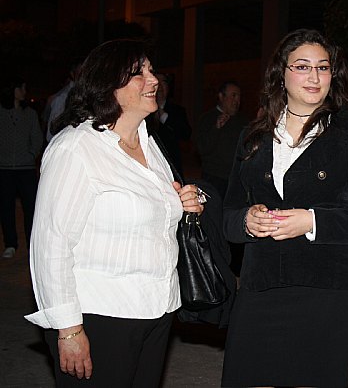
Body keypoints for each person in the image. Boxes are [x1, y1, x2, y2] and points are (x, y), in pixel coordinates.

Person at [220, 29, 348, 388]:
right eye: (302, 66)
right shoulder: (254, 136)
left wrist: (312, 221)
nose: (314, 77)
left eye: (323, 67)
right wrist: (247, 221)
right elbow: (229, 216)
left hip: (329, 294)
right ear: (280, 74)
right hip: (261, 288)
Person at [24, 39, 205, 386]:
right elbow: (51, 244)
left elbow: (149, 210)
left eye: (151, 70)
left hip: (157, 308)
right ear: (108, 84)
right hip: (101, 315)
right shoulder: (76, 147)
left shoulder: (149, 143)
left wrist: (183, 202)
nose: (153, 80)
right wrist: (68, 329)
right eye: (139, 73)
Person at [0, 76, 43, 259]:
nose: (24, 92)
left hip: (26, 168)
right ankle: (10, 244)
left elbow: (37, 137)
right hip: (4, 168)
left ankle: (32, 244)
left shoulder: (30, 114)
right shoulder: (1, 112)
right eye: (21, 88)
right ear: (13, 90)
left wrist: (31, 154)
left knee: (31, 208)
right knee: (6, 207)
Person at [196, 80, 248, 198]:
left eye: (239, 96)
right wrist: (216, 129)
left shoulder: (243, 121)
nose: (237, 101)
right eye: (233, 95)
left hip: (236, 178)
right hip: (214, 178)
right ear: (221, 96)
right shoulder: (207, 118)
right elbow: (202, 148)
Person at [145, 72, 192, 176]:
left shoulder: (178, 111)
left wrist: (164, 117)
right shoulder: (144, 111)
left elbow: (185, 134)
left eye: (164, 82)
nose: (160, 86)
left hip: (172, 164)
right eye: (157, 82)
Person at [46, 60, 82, 142]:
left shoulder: (89, 95)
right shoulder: (62, 97)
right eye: (80, 73)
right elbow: (51, 133)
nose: (83, 77)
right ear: (72, 74)